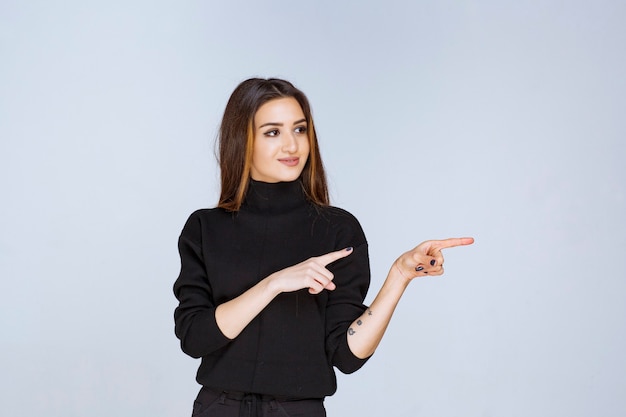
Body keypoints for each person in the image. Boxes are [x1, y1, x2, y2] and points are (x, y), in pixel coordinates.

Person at [173, 78, 474, 417]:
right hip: (218, 408)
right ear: (243, 139)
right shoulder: (205, 227)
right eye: (273, 132)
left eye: (299, 130)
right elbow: (195, 338)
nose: (292, 145)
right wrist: (274, 284)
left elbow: (346, 356)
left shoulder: (337, 229)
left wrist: (399, 276)